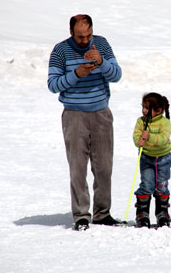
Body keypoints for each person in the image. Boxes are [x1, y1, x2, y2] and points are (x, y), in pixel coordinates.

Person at [48, 14, 122, 231]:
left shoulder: (102, 44)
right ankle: (81, 216)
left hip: (101, 113)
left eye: (88, 35)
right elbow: (53, 85)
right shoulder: (60, 50)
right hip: (74, 115)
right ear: (71, 32)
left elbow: (116, 75)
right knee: (78, 168)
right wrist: (76, 73)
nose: (85, 40)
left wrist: (101, 62)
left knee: (104, 167)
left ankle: (102, 214)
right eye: (80, 37)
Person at [132, 93, 171, 228]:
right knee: (147, 185)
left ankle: (162, 213)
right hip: (147, 158)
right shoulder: (141, 121)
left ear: (158, 110)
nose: (144, 110)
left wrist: (149, 137)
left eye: (147, 108)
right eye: (143, 107)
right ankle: (142, 214)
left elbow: (163, 139)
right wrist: (139, 141)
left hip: (163, 158)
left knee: (161, 186)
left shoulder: (164, 123)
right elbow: (136, 136)